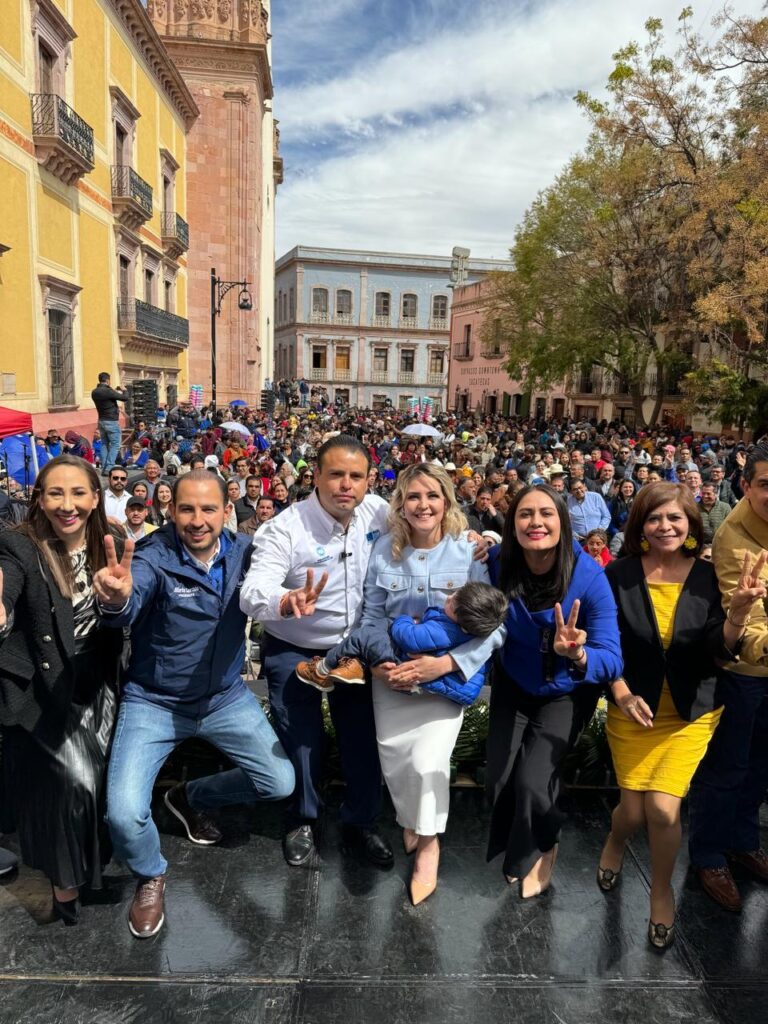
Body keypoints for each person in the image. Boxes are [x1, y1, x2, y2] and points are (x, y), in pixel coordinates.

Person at [95, 471, 294, 939]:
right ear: (171, 511)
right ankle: (150, 873)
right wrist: (116, 601)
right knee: (123, 814)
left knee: (281, 781)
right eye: (187, 509)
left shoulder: (245, 555)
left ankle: (190, 797)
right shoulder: (151, 557)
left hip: (224, 698)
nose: (197, 520)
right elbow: (129, 596)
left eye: (209, 509)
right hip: (154, 702)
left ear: (229, 510)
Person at [598, 483, 755, 949]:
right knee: (630, 810)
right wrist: (621, 692)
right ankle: (615, 841)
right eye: (654, 518)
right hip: (633, 710)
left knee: (663, 810)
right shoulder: (619, 575)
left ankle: (661, 892)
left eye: (674, 519)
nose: (664, 527)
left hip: (689, 713)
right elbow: (606, 646)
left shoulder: (708, 578)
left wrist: (739, 615)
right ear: (640, 525)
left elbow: (718, 649)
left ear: (690, 525)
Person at [351, 465, 504, 905]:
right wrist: (379, 663)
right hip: (393, 678)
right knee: (398, 763)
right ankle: (412, 820)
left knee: (428, 762)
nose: (423, 505)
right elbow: (372, 617)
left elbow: (495, 624)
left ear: (447, 501)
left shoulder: (467, 552)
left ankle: (430, 845)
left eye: (432, 496)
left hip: (442, 681)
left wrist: (447, 664)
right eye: (413, 497)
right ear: (400, 504)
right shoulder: (383, 550)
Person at [240, 436, 393, 870]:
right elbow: (254, 590)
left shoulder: (380, 513)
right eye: (336, 474)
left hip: (355, 649)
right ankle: (302, 818)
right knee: (300, 739)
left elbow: (430, 524)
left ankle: (361, 821)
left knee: (362, 736)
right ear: (316, 477)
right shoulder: (284, 528)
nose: (346, 485)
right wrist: (285, 601)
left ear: (368, 481)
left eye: (356, 476)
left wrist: (481, 537)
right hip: (295, 646)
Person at [0, 455, 124, 924]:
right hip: (43, 686)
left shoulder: (112, 542)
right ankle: (65, 884)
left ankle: (89, 870)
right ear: (39, 498)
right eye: (55, 493)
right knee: (74, 782)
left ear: (95, 498)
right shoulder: (17, 545)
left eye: (77, 493)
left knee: (98, 782)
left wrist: (120, 602)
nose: (67, 505)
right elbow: (6, 588)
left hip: (99, 680)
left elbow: (124, 611)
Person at [485, 484, 622, 898]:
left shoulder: (589, 577)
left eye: (546, 513)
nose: (536, 523)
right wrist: (476, 540)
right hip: (514, 680)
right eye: (525, 514)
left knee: (533, 780)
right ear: (513, 524)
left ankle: (546, 844)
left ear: (563, 522)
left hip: (567, 689)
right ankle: (527, 837)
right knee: (500, 778)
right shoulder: (497, 562)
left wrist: (579, 655)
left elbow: (612, 657)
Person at [687, 444, 768, 913]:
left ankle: (742, 841)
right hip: (745, 671)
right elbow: (749, 619)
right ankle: (709, 854)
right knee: (728, 767)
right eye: (765, 484)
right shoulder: (737, 537)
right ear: (746, 485)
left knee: (761, 765)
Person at [296, 580, 507, 702]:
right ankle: (354, 666)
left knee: (363, 636)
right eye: (455, 593)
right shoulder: (472, 628)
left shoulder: (446, 629)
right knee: (374, 632)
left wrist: (405, 620)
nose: (449, 597)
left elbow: (410, 639)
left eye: (454, 602)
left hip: (402, 661)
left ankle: (323, 669)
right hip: (437, 683)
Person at [91, 372, 127, 474]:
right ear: (107, 380)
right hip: (111, 421)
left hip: (101, 420)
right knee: (116, 444)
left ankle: (104, 467)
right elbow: (125, 398)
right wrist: (124, 390)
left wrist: (112, 390)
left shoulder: (94, 392)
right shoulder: (108, 391)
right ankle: (109, 467)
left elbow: (108, 394)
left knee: (104, 444)